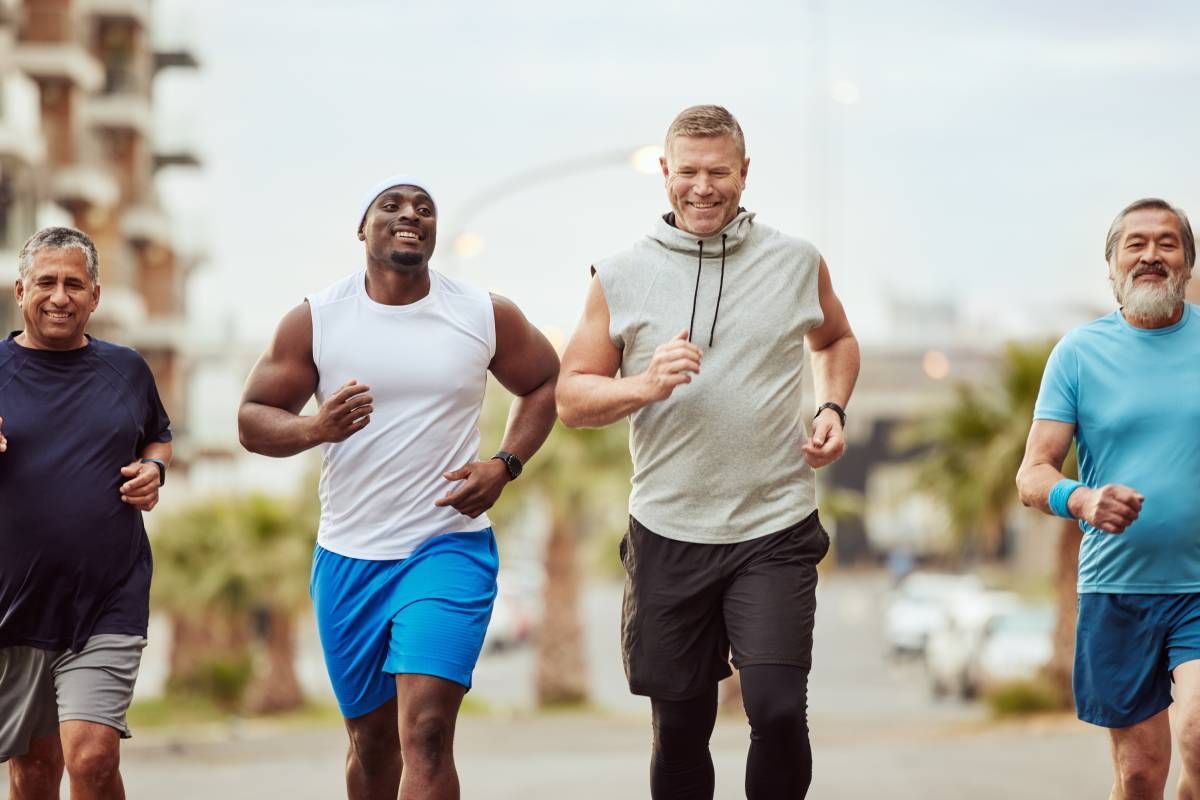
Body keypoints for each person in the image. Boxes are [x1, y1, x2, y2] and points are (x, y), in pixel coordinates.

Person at [556, 105, 860, 799]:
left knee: (779, 710)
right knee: (682, 725)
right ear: (665, 173)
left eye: (718, 172)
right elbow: (572, 398)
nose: (703, 187)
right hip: (669, 530)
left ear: (744, 173)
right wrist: (644, 384)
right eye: (687, 172)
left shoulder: (795, 262)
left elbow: (837, 339)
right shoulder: (622, 275)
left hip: (773, 526)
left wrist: (832, 408)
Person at [237, 175, 558, 800]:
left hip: (448, 546)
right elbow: (251, 419)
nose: (410, 214)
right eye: (392, 205)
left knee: (430, 731)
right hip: (349, 556)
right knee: (373, 744)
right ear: (364, 229)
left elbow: (544, 383)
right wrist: (314, 428)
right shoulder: (317, 319)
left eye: (425, 208)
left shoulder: (483, 313)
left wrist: (504, 464)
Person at [1017, 197, 1200, 799]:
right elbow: (1033, 474)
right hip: (1116, 591)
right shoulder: (1077, 353)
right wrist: (1083, 500)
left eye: (1167, 243)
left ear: (1188, 262)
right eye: (1136, 244)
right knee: (1140, 774)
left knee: (1199, 737)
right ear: (1113, 265)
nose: (1151, 255)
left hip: (1197, 589)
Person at [0, 226, 172, 799]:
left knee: (92, 757)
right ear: (20, 290)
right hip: (13, 603)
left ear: (95, 296)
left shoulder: (126, 370)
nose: (59, 296)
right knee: (34, 767)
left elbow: (158, 437)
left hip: (109, 595)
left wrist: (155, 470)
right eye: (46, 282)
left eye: (74, 283)